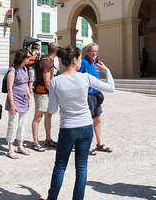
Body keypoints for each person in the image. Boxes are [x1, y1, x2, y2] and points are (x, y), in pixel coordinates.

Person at [38, 46, 115, 200]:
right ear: (74, 60)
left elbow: (51, 109)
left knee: (60, 166)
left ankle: (51, 198)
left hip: (68, 127)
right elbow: (111, 88)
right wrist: (107, 71)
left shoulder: (56, 81)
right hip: (86, 127)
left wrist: (63, 102)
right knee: (81, 167)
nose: (81, 61)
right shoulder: (85, 78)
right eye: (79, 58)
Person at [79, 43, 112, 155]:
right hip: (87, 96)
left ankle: (99, 144)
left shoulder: (96, 64)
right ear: (87, 52)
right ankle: (85, 146)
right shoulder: (83, 62)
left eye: (96, 51)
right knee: (86, 121)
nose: (94, 54)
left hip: (96, 96)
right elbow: (78, 77)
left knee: (97, 120)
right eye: (92, 51)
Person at [31, 42, 59, 152]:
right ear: (56, 51)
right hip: (42, 93)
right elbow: (47, 81)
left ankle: (48, 139)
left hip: (44, 92)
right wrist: (55, 93)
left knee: (48, 115)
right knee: (38, 117)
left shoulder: (46, 60)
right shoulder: (47, 62)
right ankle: (35, 142)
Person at [5, 49, 31, 159]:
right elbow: (9, 89)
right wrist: (12, 104)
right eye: (28, 57)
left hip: (24, 99)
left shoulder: (25, 69)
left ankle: (20, 145)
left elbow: (25, 84)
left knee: (22, 124)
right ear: (22, 58)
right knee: (13, 124)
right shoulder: (12, 70)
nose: (29, 59)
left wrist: (29, 97)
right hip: (14, 100)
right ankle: (10, 148)